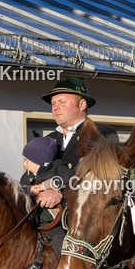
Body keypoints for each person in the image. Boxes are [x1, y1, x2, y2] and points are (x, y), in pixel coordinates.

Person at [36, 77, 95, 209]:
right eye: (53, 104)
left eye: (62, 102)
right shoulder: (48, 139)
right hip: (46, 212)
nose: (56, 108)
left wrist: (60, 192)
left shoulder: (100, 134)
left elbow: (96, 178)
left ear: (82, 104)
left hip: (85, 216)